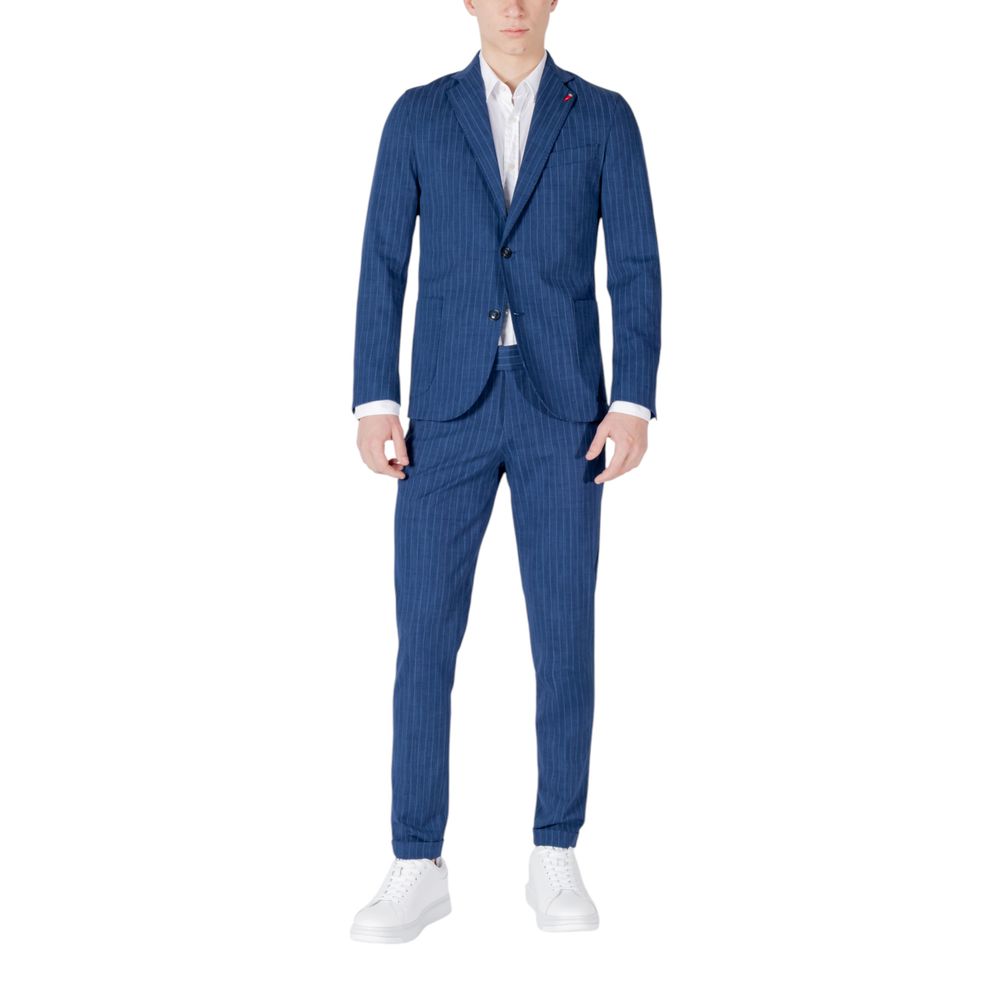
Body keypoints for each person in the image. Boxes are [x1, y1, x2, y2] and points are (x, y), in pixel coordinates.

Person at [349, 0, 660, 943]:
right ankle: (416, 860)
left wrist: (633, 400)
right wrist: (374, 397)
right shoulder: (418, 114)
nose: (515, 7)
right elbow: (382, 259)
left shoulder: (603, 116)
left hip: (565, 408)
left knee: (564, 637)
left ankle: (555, 849)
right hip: (444, 409)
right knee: (424, 639)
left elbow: (635, 263)